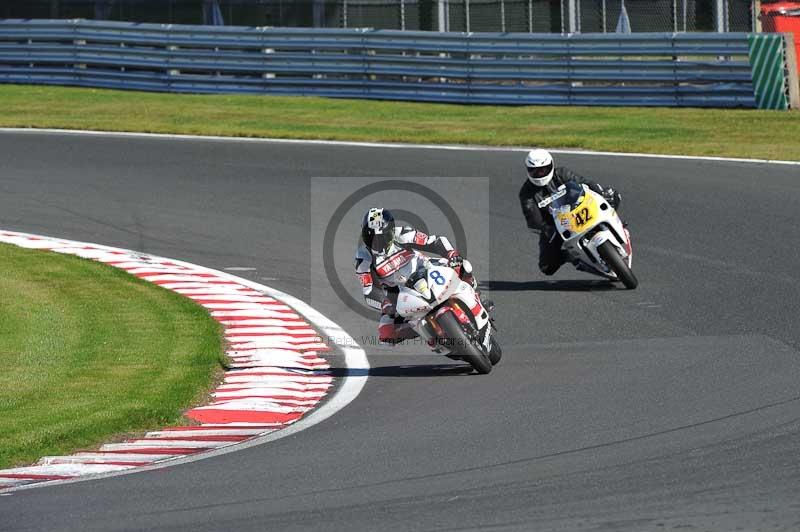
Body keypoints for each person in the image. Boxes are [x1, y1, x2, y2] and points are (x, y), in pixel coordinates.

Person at [354, 207, 477, 344]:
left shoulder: (402, 234)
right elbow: (369, 290)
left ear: (391, 231)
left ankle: (476, 298)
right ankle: (429, 333)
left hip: (426, 269)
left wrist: (452, 254)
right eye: (371, 237)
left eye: (382, 237)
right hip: (399, 293)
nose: (376, 243)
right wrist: (385, 303)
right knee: (386, 333)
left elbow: (434, 241)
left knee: (464, 266)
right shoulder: (363, 257)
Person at [519, 148, 622, 275]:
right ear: (528, 170)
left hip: (579, 208)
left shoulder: (561, 173)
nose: (539, 174)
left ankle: (617, 226)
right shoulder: (526, 193)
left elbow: (585, 183)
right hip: (557, 225)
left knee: (612, 195)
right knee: (547, 267)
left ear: (551, 165)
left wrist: (599, 192)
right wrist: (547, 229)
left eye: (543, 169)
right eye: (534, 171)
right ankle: (572, 256)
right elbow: (533, 218)